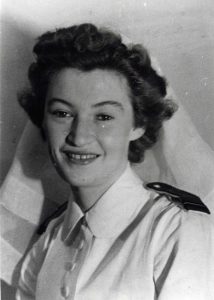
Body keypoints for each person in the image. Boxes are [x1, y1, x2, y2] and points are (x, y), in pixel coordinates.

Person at [15, 23, 213, 300]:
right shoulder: (47, 242)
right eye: (62, 113)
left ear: (138, 124)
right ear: (43, 121)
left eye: (104, 116)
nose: (80, 136)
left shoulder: (176, 230)